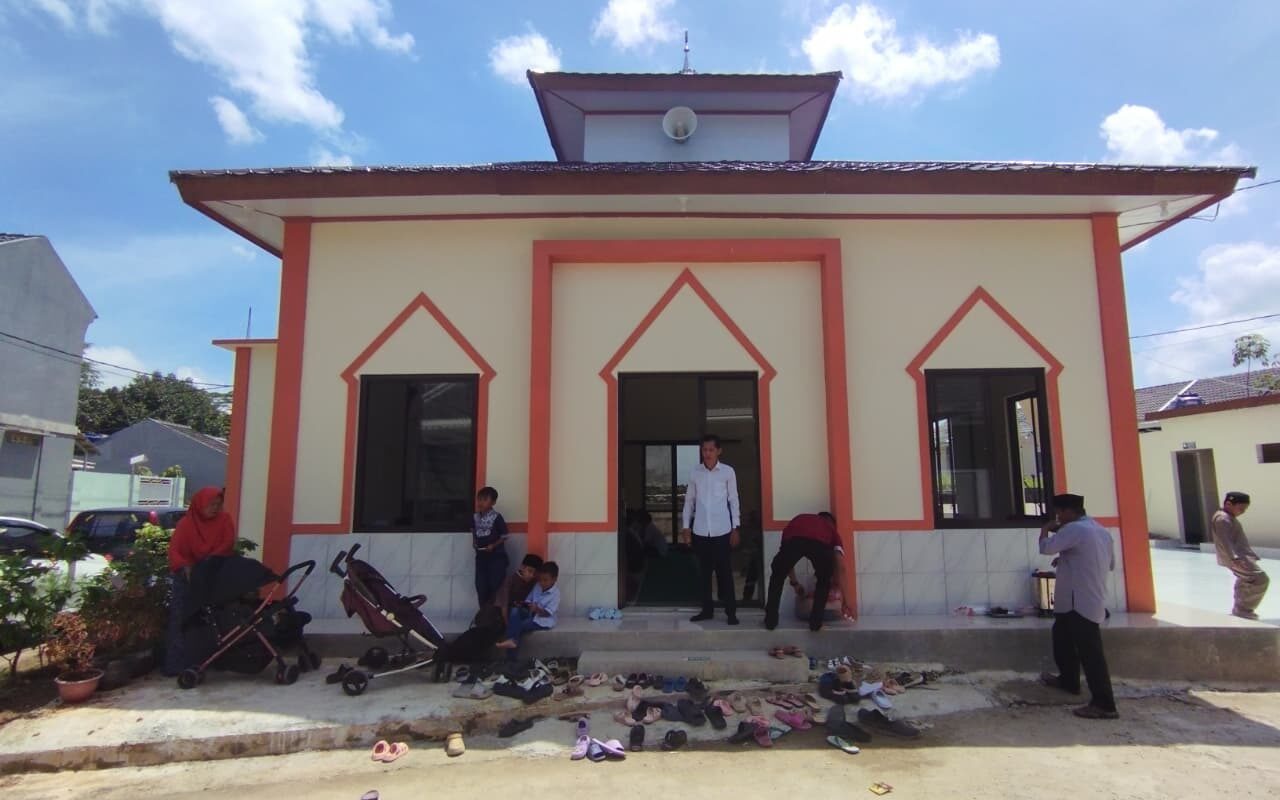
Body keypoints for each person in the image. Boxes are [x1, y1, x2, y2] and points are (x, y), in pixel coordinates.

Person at [1037, 493, 1119, 720]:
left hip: (1079, 601)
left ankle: (1104, 703)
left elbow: (1046, 548)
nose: (1058, 518)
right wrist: (1066, 559)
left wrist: (1045, 529)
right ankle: (1068, 680)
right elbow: (1107, 562)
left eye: (1059, 513)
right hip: (1083, 599)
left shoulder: (1074, 530)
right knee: (1062, 638)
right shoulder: (1100, 530)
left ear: (1068, 512)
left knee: (1090, 653)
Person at [164, 487, 237, 676]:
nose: (215, 508)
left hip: (214, 573)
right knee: (181, 618)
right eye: (211, 505)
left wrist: (207, 564)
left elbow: (226, 544)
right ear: (200, 504)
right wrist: (187, 567)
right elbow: (175, 552)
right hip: (187, 576)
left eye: (218, 505)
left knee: (217, 618)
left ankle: (214, 659)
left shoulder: (224, 520)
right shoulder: (186, 524)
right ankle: (176, 664)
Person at [680, 434, 741, 625]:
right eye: (704, 450)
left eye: (711, 450)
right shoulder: (695, 472)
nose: (707, 453)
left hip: (722, 531)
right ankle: (707, 610)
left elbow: (733, 500)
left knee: (725, 572)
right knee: (704, 574)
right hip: (700, 532)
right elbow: (689, 501)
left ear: (718, 451)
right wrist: (686, 527)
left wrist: (735, 527)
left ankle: (731, 612)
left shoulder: (728, 472)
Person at [764, 512, 852, 632]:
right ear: (831, 523)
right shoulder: (831, 529)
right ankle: (816, 624)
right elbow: (840, 567)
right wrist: (846, 602)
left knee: (777, 574)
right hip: (819, 545)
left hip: (794, 540)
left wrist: (795, 583)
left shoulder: (798, 520)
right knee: (824, 580)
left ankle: (770, 621)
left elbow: (786, 561)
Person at [1210, 492, 1269, 620]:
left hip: (1239, 558)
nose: (1243, 511)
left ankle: (1241, 609)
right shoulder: (1223, 519)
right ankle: (1243, 609)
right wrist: (1234, 558)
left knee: (1246, 580)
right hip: (1237, 559)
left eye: (1245, 509)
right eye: (1241, 508)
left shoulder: (1227, 517)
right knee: (1260, 579)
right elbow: (1224, 540)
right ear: (1228, 504)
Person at [495, 561, 560, 655]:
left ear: (554, 579)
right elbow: (528, 600)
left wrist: (537, 609)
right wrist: (524, 605)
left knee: (519, 625)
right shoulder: (537, 586)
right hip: (530, 613)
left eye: (545, 580)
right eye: (540, 580)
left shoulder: (556, 594)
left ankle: (511, 653)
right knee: (514, 611)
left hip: (542, 620)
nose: (542, 583)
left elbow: (548, 613)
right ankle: (512, 641)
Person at [472, 486, 509, 609]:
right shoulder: (475, 517)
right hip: (481, 557)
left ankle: (495, 615)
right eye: (479, 499)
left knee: (495, 585)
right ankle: (484, 613)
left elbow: (504, 536)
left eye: (485, 500)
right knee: (481, 585)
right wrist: (474, 542)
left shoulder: (497, 517)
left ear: (493, 502)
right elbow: (474, 531)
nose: (481, 503)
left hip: (496, 557)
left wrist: (493, 545)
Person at [492, 553, 544, 623]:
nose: (532, 575)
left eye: (535, 573)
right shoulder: (509, 581)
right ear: (522, 567)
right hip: (500, 615)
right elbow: (503, 608)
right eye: (530, 571)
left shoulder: (535, 581)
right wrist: (507, 626)